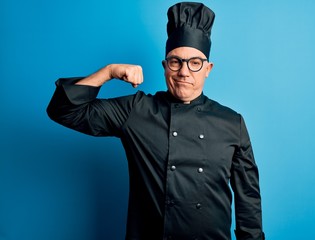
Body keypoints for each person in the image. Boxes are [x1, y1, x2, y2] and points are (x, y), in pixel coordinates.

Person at [47, 2, 265, 240]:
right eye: (175, 62)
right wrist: (109, 72)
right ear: (164, 67)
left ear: (208, 69)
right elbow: (64, 110)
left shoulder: (232, 123)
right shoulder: (136, 111)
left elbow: (249, 201)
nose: (184, 72)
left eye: (195, 63)